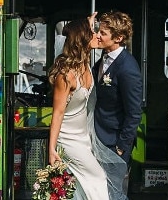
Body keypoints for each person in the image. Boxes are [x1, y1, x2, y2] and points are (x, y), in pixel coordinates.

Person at [48, 14, 109, 200]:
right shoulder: (65, 75)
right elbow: (57, 113)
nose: (97, 35)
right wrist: (51, 149)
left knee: (82, 184)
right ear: (82, 38)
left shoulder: (86, 65)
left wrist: (88, 21)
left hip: (83, 137)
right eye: (93, 32)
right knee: (99, 177)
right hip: (68, 139)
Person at [92, 11, 143, 199]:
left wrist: (121, 146)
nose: (98, 35)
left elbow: (134, 112)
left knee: (114, 194)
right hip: (99, 137)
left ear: (119, 38)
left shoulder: (127, 68)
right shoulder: (101, 61)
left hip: (113, 142)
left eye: (103, 33)